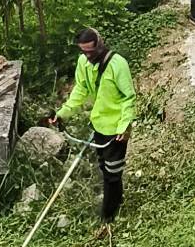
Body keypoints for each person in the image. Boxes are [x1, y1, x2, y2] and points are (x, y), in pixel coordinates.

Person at [52, 29, 136, 221]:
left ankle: (107, 217)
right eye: (84, 52)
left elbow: (129, 97)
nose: (88, 56)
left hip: (116, 128)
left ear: (100, 44)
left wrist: (125, 125)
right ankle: (117, 201)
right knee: (105, 168)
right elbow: (80, 90)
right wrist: (63, 113)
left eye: (91, 52)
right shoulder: (83, 62)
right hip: (98, 124)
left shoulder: (118, 64)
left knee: (112, 172)